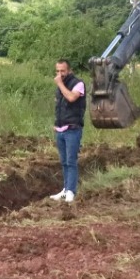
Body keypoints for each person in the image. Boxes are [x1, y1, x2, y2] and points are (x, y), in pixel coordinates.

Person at [50, 58, 86, 202]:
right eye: (57, 71)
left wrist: (59, 84)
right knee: (64, 161)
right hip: (60, 129)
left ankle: (71, 191)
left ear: (69, 70)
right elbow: (59, 106)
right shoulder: (60, 87)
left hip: (73, 129)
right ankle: (65, 189)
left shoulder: (79, 84)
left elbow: (71, 98)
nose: (60, 74)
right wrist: (57, 125)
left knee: (71, 161)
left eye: (62, 71)